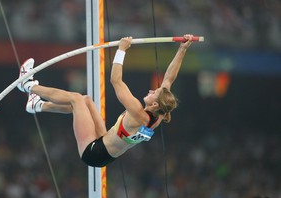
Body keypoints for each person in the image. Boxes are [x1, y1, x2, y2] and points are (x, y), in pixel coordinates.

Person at [17, 34, 194, 167]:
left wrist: (122, 50)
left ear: (154, 104)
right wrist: (182, 49)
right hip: (105, 144)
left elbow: (115, 80)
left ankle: (28, 85)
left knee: (76, 99)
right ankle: (37, 105)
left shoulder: (139, 113)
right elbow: (169, 78)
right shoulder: (161, 112)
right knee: (85, 101)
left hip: (94, 152)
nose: (151, 90)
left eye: (153, 93)